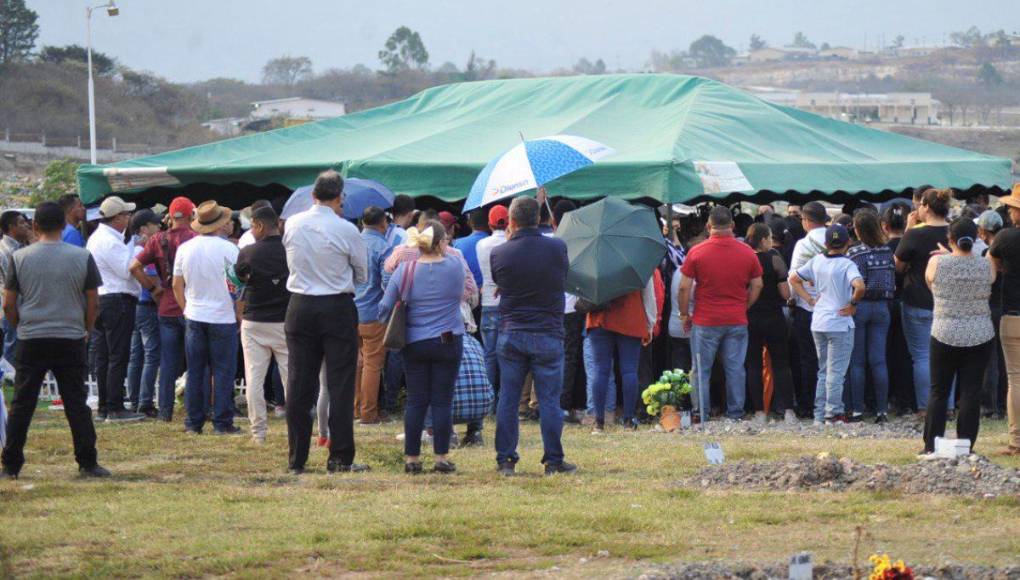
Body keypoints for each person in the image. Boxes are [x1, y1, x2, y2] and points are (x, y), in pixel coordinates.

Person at [1, 202, 108, 480]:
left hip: (32, 337)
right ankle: (88, 462)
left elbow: (8, 304)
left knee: (23, 404)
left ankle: (11, 464)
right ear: (63, 225)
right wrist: (86, 328)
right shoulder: (82, 256)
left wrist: (21, 325)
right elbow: (93, 301)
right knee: (76, 402)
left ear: (35, 226)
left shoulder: (20, 258)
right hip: (70, 336)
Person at [282, 170, 368, 474]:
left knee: (298, 382)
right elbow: (362, 274)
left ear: (313, 195)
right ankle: (340, 457)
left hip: (300, 304)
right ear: (340, 197)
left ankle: (297, 458)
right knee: (340, 383)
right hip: (336, 305)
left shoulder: (293, 223)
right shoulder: (347, 229)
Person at [491, 196, 575, 476]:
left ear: (511, 221)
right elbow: (562, 275)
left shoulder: (500, 253)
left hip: (512, 331)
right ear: (539, 219)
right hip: (548, 331)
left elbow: (501, 281)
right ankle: (553, 460)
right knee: (549, 400)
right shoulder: (557, 247)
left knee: (508, 397)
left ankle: (506, 459)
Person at [379, 221, 465, 474]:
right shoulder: (455, 266)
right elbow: (463, 291)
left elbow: (385, 307)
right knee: (442, 400)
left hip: (414, 341)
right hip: (448, 338)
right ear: (440, 243)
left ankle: (412, 459)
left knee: (416, 400)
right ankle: (441, 457)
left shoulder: (405, 270)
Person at [678, 206, 763, 421]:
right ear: (732, 225)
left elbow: (684, 287)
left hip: (705, 320)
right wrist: (745, 306)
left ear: (708, 226)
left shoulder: (696, 252)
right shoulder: (747, 252)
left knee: (701, 370)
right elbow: (757, 285)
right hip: (736, 319)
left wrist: (684, 314)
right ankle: (735, 413)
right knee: (735, 368)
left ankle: (702, 412)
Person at [921, 217, 994, 455]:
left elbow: (931, 284)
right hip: (980, 333)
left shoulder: (936, 262)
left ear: (949, 239)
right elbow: (990, 284)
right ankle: (966, 445)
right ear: (976, 238)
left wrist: (946, 255)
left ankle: (931, 445)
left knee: (939, 391)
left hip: (944, 332)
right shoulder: (986, 264)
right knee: (971, 392)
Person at [172, 200, 241, 436]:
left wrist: (186, 308)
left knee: (195, 370)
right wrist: (238, 313)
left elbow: (176, 284)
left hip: (195, 314)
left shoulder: (185, 248)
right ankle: (222, 422)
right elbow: (236, 287)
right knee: (223, 371)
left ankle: (194, 422)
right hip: (222, 316)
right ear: (220, 224)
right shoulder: (230, 250)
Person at [790, 224, 865, 425]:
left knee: (823, 370)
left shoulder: (816, 260)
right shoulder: (847, 264)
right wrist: (853, 304)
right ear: (848, 243)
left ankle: (819, 414)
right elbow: (859, 286)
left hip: (819, 320)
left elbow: (794, 278)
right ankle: (833, 412)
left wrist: (808, 299)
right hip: (839, 322)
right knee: (836, 371)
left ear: (826, 243)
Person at [130, 197, 197, 422]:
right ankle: (196, 409)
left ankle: (165, 411)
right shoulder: (195, 238)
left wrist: (153, 289)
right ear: (190, 215)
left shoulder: (158, 239)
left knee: (167, 362)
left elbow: (134, 267)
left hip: (166, 306)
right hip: (191, 305)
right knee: (196, 360)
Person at [86, 196, 145, 422]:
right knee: (117, 355)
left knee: (104, 356)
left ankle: (105, 406)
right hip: (116, 299)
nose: (129, 218)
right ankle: (115, 407)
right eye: (126, 215)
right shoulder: (109, 241)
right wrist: (138, 247)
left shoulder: (98, 238)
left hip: (102, 299)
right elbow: (126, 270)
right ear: (118, 217)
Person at [236, 205, 291, 444]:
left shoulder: (248, 252)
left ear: (259, 226)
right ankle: (296, 430)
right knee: (291, 379)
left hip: (254, 320)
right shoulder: (290, 251)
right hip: (284, 321)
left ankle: (258, 433)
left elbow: (238, 280)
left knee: (254, 379)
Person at [895, 188, 951, 416]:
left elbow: (898, 266)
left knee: (921, 356)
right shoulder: (953, 231)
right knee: (947, 356)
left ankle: (926, 407)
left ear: (926, 207)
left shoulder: (915, 234)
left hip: (917, 299)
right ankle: (947, 406)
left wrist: (908, 229)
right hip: (947, 302)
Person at [585, 271, 657, 432]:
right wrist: (650, 324)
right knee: (629, 370)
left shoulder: (596, 259)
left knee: (600, 370)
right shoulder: (638, 261)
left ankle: (598, 422)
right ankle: (628, 421)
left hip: (600, 317)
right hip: (630, 316)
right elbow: (648, 295)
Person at [744, 223, 797, 424]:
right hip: (774, 316)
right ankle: (789, 411)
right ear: (764, 240)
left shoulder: (745, 258)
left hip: (750, 316)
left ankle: (759, 412)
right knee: (781, 363)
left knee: (753, 365)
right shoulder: (774, 257)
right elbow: (785, 293)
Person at [847, 210, 895, 423]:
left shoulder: (855, 253)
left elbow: (853, 282)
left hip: (860, 306)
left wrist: (851, 303)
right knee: (879, 360)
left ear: (858, 230)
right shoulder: (887, 250)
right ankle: (882, 410)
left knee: (857, 361)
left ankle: (857, 410)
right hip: (882, 307)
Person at [353, 206, 395, 425]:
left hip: (350, 311)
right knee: (372, 364)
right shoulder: (383, 247)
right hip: (373, 313)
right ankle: (369, 413)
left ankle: (355, 409)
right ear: (383, 223)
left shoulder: (352, 242)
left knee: (357, 362)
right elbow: (388, 284)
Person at [788, 201, 828, 418]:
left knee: (808, 359)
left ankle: (808, 404)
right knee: (831, 360)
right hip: (833, 308)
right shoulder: (836, 240)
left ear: (807, 221)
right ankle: (832, 403)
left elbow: (793, 276)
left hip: (808, 308)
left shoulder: (803, 244)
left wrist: (796, 299)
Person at [989, 184, 1020, 456]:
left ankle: (1016, 441)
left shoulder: (1005, 237)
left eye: (1012, 207)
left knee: (1016, 379)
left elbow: (992, 266)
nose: (1009, 211)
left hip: (1013, 314)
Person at [125, 209, 163, 417]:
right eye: (154, 224)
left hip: (135, 305)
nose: (159, 227)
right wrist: (156, 292)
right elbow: (151, 278)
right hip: (147, 305)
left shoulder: (130, 247)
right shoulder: (144, 250)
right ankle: (145, 402)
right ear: (143, 229)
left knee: (136, 355)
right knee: (151, 354)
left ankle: (134, 399)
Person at [553, 200, 586, 422]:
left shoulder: (551, 243)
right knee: (570, 357)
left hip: (553, 307)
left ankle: (556, 403)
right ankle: (564, 404)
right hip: (572, 308)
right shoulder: (580, 242)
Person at [881, 202, 914, 414]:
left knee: (885, 352)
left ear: (884, 226)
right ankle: (906, 398)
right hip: (907, 300)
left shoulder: (882, 249)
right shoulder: (911, 246)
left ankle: (887, 397)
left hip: (886, 303)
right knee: (906, 352)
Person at [976, 210, 1007, 419]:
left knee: (989, 359)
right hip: (1008, 307)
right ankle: (1004, 404)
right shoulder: (1011, 249)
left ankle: (988, 406)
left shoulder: (988, 253)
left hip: (991, 307)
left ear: (983, 231)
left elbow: (986, 281)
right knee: (1006, 360)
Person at [476, 205, 509, 392]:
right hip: (507, 304)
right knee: (508, 357)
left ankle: (488, 399)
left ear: (489, 224)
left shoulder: (481, 245)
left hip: (488, 302)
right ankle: (505, 398)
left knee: (489, 355)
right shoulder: (511, 243)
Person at [0, 211, 31, 368]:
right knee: (12, 352)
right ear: (11, 227)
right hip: (12, 309)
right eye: (21, 223)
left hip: (20, 307)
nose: (26, 225)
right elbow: (15, 283)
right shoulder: (7, 251)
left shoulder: (21, 247)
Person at [452, 209, 489, 288]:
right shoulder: (498, 243)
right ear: (488, 223)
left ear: (469, 223)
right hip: (492, 291)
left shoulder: (458, 244)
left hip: (469, 291)